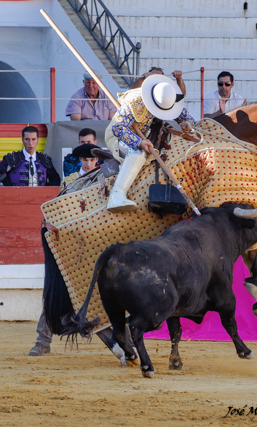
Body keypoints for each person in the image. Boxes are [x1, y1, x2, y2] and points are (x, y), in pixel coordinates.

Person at [29, 144, 101, 357]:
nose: (88, 163)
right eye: (84, 159)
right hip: (69, 243)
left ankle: (125, 346)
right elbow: (58, 211)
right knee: (57, 290)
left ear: (97, 161)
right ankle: (42, 341)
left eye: (91, 159)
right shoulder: (70, 182)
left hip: (94, 243)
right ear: (80, 160)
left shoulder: (104, 180)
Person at [105, 73, 195, 212]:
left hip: (146, 136)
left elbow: (187, 118)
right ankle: (116, 194)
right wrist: (139, 142)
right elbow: (118, 127)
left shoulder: (168, 97)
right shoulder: (134, 101)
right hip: (119, 136)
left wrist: (187, 124)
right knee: (138, 152)